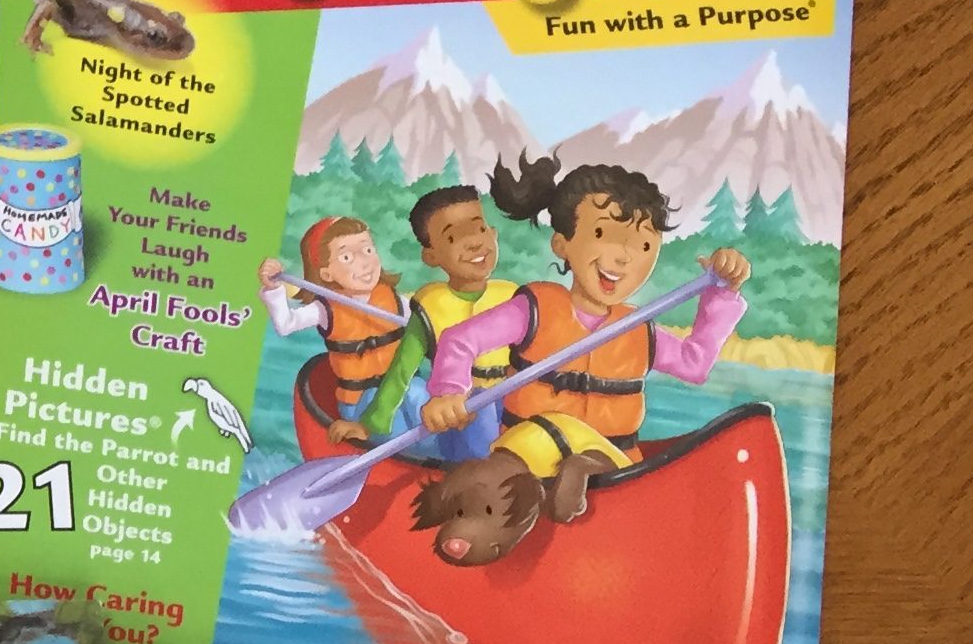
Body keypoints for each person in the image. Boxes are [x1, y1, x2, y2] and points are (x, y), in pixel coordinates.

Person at [424, 155, 752, 523]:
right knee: (497, 476)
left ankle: (581, 473)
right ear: (561, 244)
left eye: (644, 246)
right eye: (601, 235)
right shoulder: (533, 310)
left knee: (586, 463)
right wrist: (449, 390)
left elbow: (695, 363)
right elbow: (461, 340)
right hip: (526, 457)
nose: (623, 258)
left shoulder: (639, 329)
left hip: (611, 465)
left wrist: (722, 293)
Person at [354, 183, 519, 461]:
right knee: (478, 412)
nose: (474, 243)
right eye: (453, 238)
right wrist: (370, 426)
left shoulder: (515, 298)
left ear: (493, 233)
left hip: (514, 413)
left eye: (479, 229)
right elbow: (402, 372)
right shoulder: (430, 306)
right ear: (431, 256)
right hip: (459, 420)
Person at [260, 218, 408, 440]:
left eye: (368, 250)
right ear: (326, 274)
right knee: (394, 422)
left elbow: (429, 328)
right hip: (361, 400)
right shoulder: (326, 309)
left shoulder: (395, 300)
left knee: (422, 398)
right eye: (347, 257)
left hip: (402, 388)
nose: (365, 263)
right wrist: (273, 288)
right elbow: (285, 324)